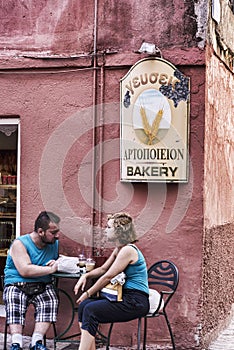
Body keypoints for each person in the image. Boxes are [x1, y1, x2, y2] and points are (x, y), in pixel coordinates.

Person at [74, 212, 149, 350]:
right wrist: (86, 276)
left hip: (136, 301)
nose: (105, 230)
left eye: (109, 227)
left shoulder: (128, 250)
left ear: (119, 231)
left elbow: (108, 276)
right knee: (84, 306)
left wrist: (88, 293)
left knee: (90, 309)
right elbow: (102, 269)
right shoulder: (119, 249)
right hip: (125, 297)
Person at [3, 211, 61, 350]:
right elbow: (25, 270)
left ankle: (37, 342)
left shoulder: (54, 243)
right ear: (40, 231)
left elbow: (56, 261)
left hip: (42, 284)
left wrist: (57, 262)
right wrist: (52, 269)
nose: (57, 235)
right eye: (53, 232)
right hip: (17, 283)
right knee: (14, 298)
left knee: (51, 299)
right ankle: (16, 343)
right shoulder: (20, 243)